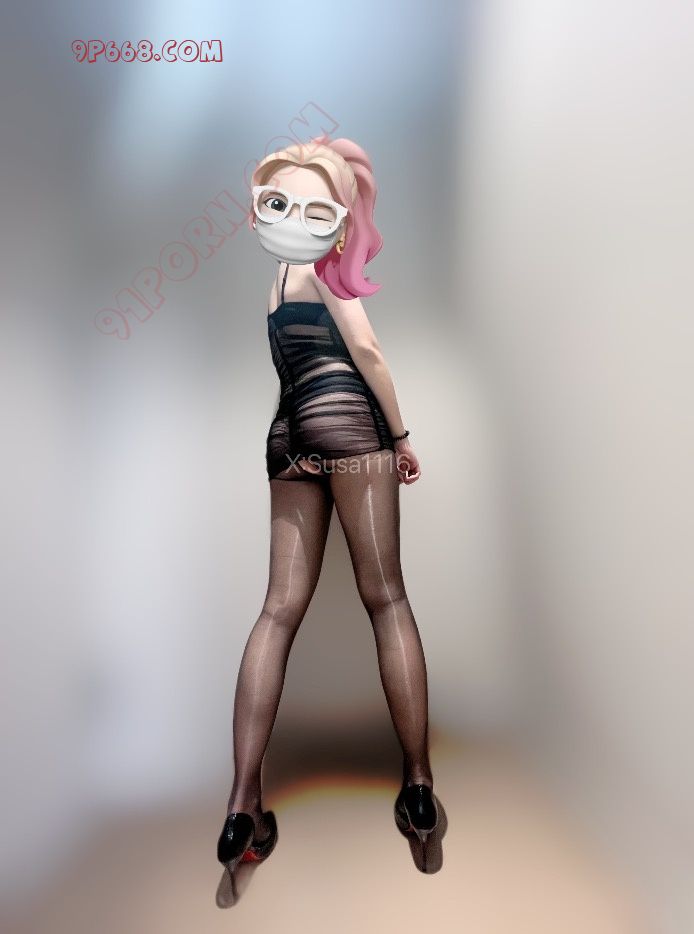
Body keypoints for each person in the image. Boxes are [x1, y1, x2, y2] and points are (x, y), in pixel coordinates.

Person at [216, 137, 438, 879]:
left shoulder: (279, 277)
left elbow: (293, 363)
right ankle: (418, 789)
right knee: (387, 599)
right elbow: (366, 353)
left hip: (288, 436)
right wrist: (399, 437)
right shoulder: (325, 263)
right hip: (347, 427)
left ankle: (242, 807)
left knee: (277, 611)